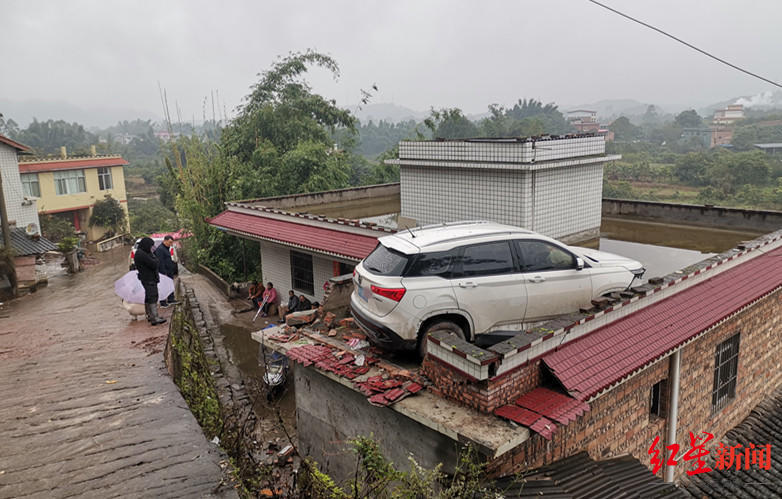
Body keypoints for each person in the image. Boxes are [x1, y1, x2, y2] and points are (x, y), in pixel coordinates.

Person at [134, 237, 166, 325]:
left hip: (147, 278)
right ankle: (154, 317)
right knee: (152, 296)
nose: (151, 248)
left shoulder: (141, 253)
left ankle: (150, 316)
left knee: (149, 297)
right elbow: (154, 264)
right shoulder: (142, 254)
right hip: (148, 279)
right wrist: (154, 257)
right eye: (150, 246)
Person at [155, 235, 180, 308]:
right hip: (164, 272)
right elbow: (160, 262)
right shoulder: (160, 249)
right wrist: (163, 273)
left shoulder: (166, 248)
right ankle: (163, 302)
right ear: (165, 241)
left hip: (169, 271)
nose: (171, 244)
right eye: (170, 242)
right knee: (163, 287)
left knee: (170, 286)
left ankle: (171, 299)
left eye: (172, 242)